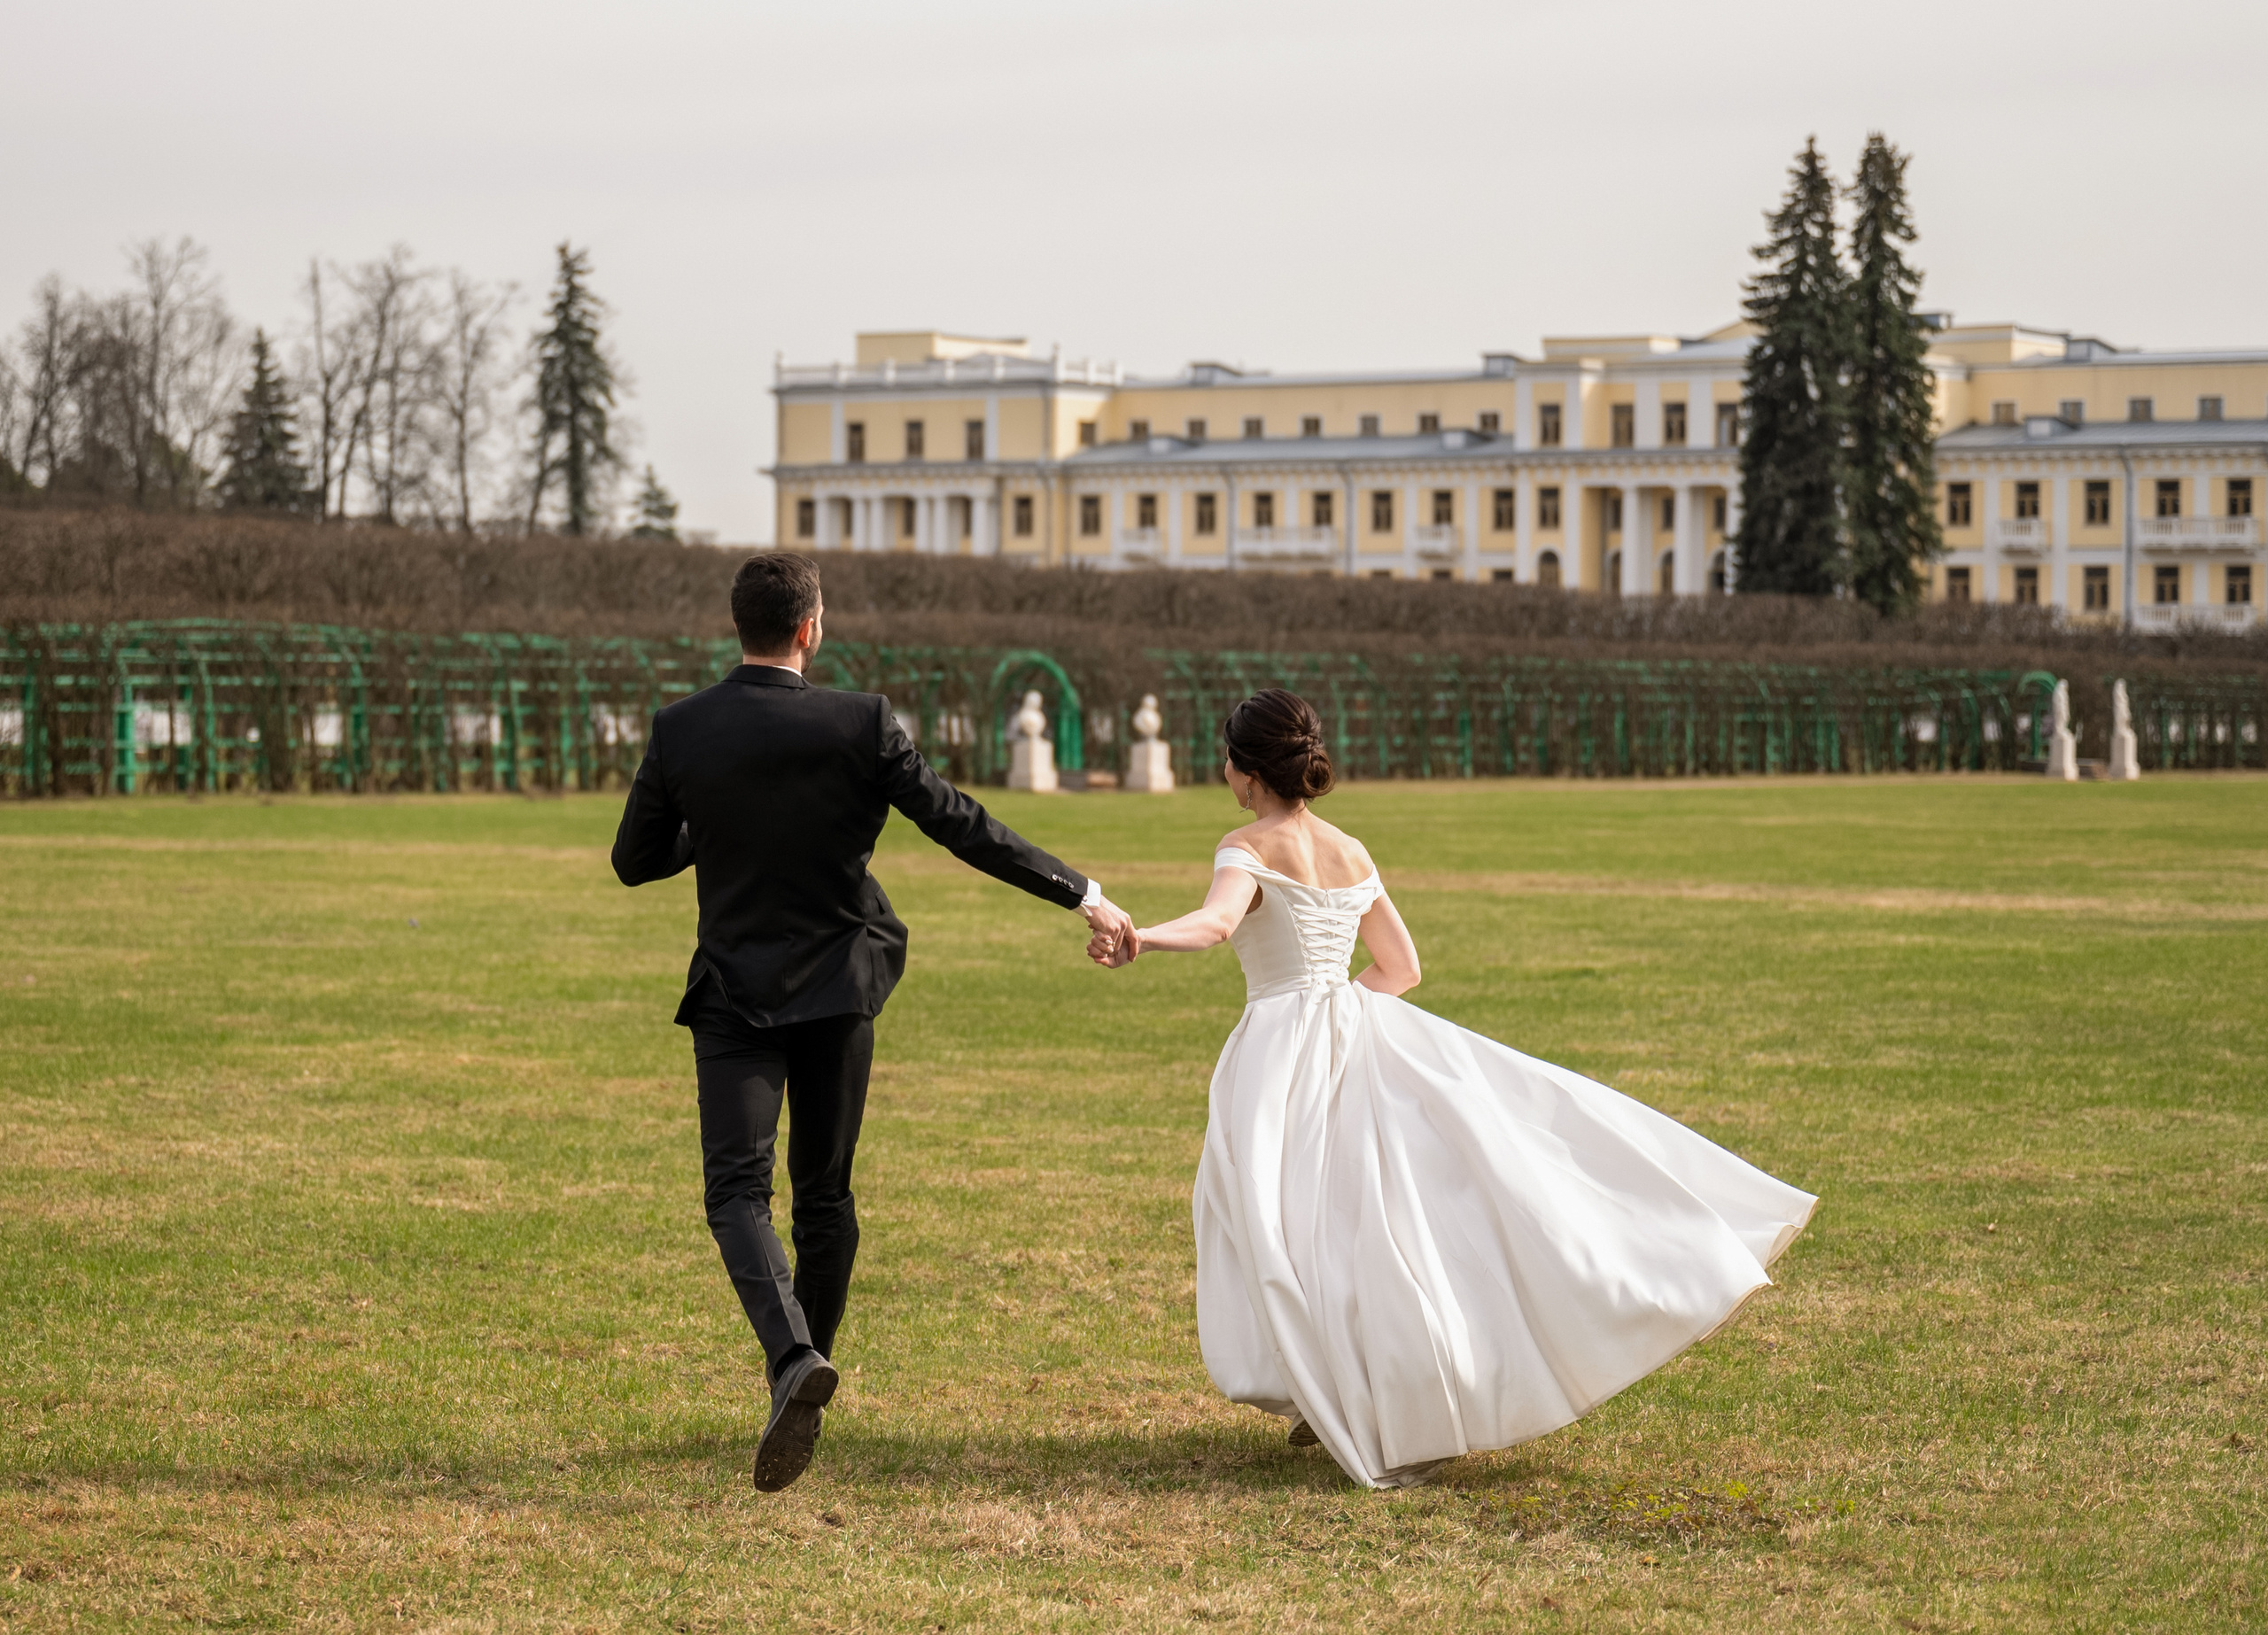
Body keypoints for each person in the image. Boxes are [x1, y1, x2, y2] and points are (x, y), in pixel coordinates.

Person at [1090, 688, 1815, 1489]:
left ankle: (1332, 1389)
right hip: (1353, 1028)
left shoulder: (1245, 844)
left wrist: (1142, 938)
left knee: (1275, 1218)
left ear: (1246, 769)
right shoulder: (1351, 849)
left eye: (1226, 758)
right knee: (1365, 1218)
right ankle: (1370, 1387)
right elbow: (1403, 969)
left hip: (1278, 1050)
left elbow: (1220, 924)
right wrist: (1342, 1014)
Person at [613, 554, 1134, 1493]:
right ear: (812, 625)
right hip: (837, 986)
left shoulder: (682, 727)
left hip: (734, 991)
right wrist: (1081, 893)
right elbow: (960, 824)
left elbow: (635, 859)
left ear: (739, 627)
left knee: (737, 1192)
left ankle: (790, 1363)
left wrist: (716, 823)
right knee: (825, 1198)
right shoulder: (862, 720)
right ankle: (800, 1368)